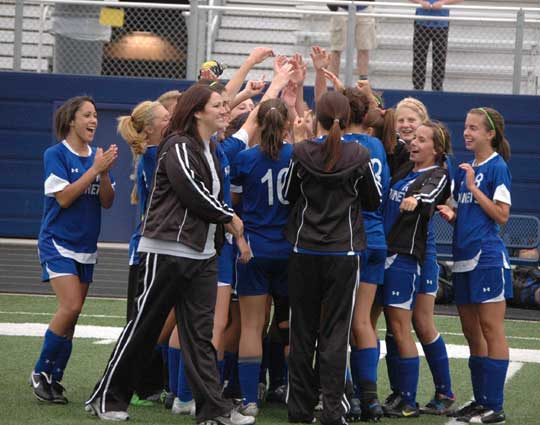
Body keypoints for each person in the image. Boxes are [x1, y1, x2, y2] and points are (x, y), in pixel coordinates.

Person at [86, 84, 254, 425]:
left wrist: (228, 226)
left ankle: (213, 410)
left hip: (203, 254)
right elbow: (192, 191)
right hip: (166, 250)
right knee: (144, 327)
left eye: (226, 105)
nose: (226, 110)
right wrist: (229, 219)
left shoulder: (211, 147)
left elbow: (212, 196)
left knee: (200, 336)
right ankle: (106, 397)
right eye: (219, 105)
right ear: (197, 112)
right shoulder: (177, 145)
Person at [283, 91, 381, 425]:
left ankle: (298, 409)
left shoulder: (300, 152)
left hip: (305, 249)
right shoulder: (360, 154)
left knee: (302, 333)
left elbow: (287, 196)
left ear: (317, 119)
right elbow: (372, 200)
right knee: (336, 335)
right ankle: (332, 411)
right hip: (343, 251)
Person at [31, 96, 117, 404]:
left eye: (95, 115)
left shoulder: (98, 157)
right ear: (71, 121)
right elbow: (64, 199)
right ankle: (40, 373)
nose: (94, 120)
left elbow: (107, 201)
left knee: (75, 315)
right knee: (69, 307)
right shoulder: (55, 154)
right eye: (87, 115)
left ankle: (55, 377)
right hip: (57, 242)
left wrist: (104, 173)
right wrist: (95, 170)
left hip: (85, 247)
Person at [438, 107, 512, 425]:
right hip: (463, 260)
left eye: (474, 128)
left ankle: (494, 406)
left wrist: (473, 188)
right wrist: (451, 214)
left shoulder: (497, 167)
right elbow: (464, 213)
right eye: (466, 127)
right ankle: (480, 401)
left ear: (490, 133)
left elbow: (501, 216)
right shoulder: (464, 169)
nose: (467, 132)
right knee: (471, 332)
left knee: (490, 329)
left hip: (487, 258)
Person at [381, 120, 451, 418]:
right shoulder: (406, 168)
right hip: (391, 252)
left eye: (422, 139)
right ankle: (401, 393)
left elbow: (432, 193)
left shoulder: (438, 174)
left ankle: (415, 397)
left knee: (409, 326)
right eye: (413, 137)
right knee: (396, 329)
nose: (413, 142)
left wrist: (416, 199)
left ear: (436, 149)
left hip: (407, 256)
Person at [231, 98, 293, 417]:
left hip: (253, 249)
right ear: (287, 125)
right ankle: (296, 392)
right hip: (289, 251)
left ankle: (249, 400)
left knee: (252, 326)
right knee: (294, 325)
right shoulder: (298, 156)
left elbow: (233, 204)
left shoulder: (244, 159)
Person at [341, 87, 389, 422]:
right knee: (363, 321)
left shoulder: (340, 145)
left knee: (337, 323)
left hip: (347, 238)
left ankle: (347, 397)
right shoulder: (376, 145)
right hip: (376, 238)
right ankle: (369, 397)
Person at [409, 0, 464, 91]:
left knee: (439, 58)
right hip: (421, 22)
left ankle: (437, 89)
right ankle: (418, 88)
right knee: (419, 57)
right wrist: (421, 2)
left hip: (441, 23)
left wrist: (443, 2)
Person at [327, 1, 377, 80]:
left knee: (364, 48)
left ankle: (363, 84)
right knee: (336, 49)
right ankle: (334, 85)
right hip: (342, 8)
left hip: (364, 8)